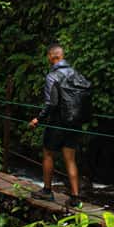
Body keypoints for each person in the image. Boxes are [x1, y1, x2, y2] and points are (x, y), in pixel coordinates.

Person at [29, 42, 82, 208]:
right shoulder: (75, 74)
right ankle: (75, 197)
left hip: (57, 122)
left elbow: (51, 103)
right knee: (70, 159)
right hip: (74, 122)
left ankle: (47, 191)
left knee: (48, 153)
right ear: (62, 56)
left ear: (50, 57)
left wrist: (38, 119)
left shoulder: (52, 76)